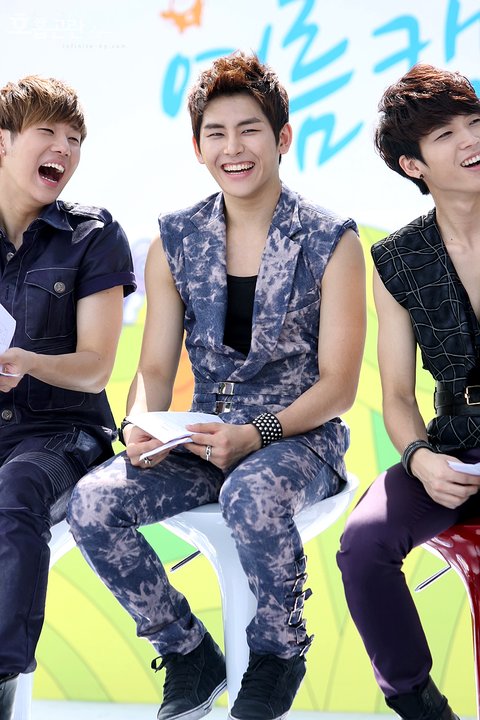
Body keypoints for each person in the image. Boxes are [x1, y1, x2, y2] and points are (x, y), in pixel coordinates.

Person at [68, 51, 365, 720]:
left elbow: (340, 386)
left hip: (299, 440)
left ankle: (279, 652)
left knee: (249, 494)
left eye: (250, 129)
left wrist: (257, 433)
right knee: (92, 502)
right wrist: (139, 425)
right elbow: (154, 370)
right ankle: (185, 650)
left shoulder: (331, 240)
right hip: (201, 436)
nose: (234, 148)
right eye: (217, 133)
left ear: (283, 137)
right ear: (198, 147)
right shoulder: (175, 239)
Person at [337, 63, 480, 720]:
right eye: (446, 135)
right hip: (455, 450)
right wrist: (421, 458)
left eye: (474, 123)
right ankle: (416, 700)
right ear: (412, 164)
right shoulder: (396, 259)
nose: (470, 140)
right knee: (364, 544)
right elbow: (397, 394)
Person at [0, 75, 136, 718]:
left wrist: (25, 362)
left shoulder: (94, 234)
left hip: (64, 436)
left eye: (75, 138)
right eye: (47, 132)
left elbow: (96, 369)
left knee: (17, 489)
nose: (64, 148)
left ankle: (1, 678)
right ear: (4, 143)